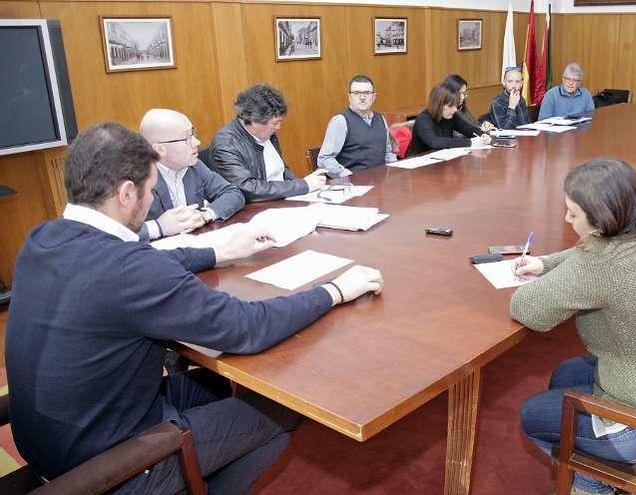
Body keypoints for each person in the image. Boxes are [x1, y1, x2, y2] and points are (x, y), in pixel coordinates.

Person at [5, 123, 384, 494]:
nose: (153, 200)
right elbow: (246, 328)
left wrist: (219, 252)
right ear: (125, 194)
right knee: (283, 407)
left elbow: (137, 263)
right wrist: (334, 290)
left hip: (54, 440)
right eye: (151, 190)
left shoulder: (44, 238)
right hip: (110, 465)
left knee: (217, 382)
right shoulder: (130, 270)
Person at [511, 157, 636, 495]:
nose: (567, 219)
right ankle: (591, 467)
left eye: (573, 214)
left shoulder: (604, 262)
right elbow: (589, 258)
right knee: (568, 373)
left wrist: (542, 278)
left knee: (532, 416)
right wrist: (545, 264)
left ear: (603, 220)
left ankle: (598, 480)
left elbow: (529, 310)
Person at [206, 83, 327, 202]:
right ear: (254, 121)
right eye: (275, 123)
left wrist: (306, 184)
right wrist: (303, 186)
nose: (278, 127)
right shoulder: (225, 145)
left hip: (279, 200)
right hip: (252, 210)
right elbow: (248, 189)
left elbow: (281, 169)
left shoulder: (266, 133)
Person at [137, 108, 244, 241]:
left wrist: (204, 215)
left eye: (193, 134)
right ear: (160, 149)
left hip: (195, 246)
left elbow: (232, 193)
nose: (196, 142)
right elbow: (114, 234)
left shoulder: (194, 165)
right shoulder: (135, 178)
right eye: (187, 138)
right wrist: (159, 227)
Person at [317, 74, 398, 178]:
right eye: (357, 93)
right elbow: (324, 159)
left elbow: (388, 152)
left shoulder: (380, 118)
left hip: (381, 182)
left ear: (374, 97)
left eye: (367, 93)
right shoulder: (340, 121)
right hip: (354, 184)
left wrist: (395, 171)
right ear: (349, 96)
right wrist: (347, 176)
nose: (362, 97)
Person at [406, 83, 491, 157]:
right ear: (439, 105)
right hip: (419, 165)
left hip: (442, 162)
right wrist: (470, 142)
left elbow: (469, 129)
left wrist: (482, 135)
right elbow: (434, 142)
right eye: (451, 106)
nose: (455, 110)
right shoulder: (423, 119)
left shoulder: (451, 116)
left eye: (456, 106)